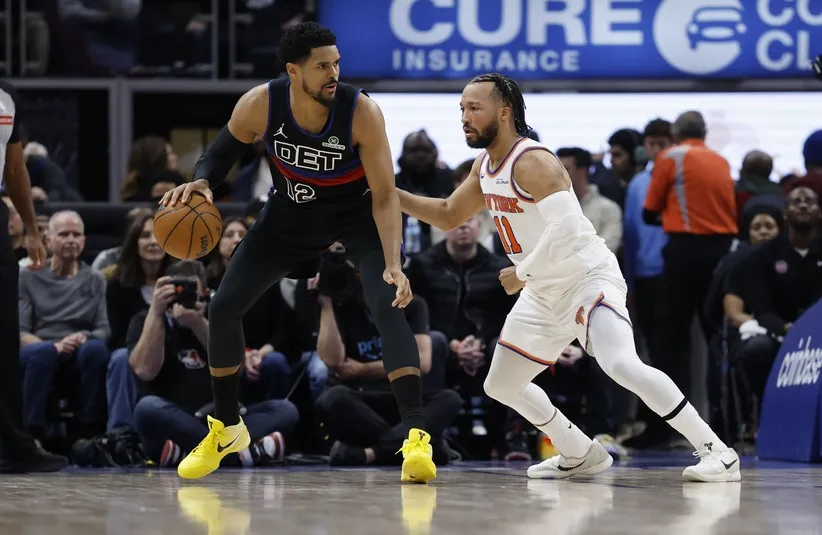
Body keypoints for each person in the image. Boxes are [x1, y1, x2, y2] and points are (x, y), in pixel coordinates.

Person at [396, 72, 741, 483]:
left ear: (503, 113)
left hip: (585, 277)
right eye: (462, 109)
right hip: (544, 290)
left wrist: (522, 272)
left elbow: (568, 229)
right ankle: (579, 451)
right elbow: (448, 214)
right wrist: (386, 193)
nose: (465, 118)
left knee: (621, 364)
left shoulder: (534, 161)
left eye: (474, 108)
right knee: (502, 384)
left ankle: (717, 452)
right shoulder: (484, 166)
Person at [158, 22, 434, 483]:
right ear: (293, 70)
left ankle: (416, 439)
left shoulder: (361, 111)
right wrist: (204, 181)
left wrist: (392, 262)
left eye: (337, 63)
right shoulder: (261, 103)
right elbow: (221, 152)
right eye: (322, 65)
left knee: (390, 306)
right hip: (290, 215)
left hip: (355, 213)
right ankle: (227, 429)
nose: (334, 72)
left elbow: (386, 194)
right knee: (224, 307)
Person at [0, 79, 67, 472]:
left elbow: (14, 167)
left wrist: (31, 228)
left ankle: (13, 443)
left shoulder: (7, 96)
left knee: (4, 335)